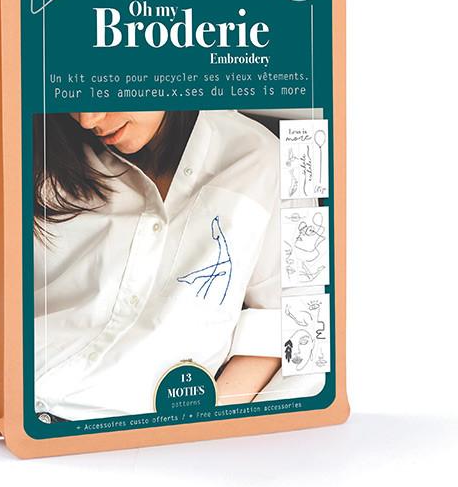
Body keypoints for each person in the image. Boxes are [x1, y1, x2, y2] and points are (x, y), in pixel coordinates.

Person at [32, 109, 285, 421]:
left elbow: (277, 319)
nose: (87, 120)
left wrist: (208, 422)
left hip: (140, 430)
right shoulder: (41, 148)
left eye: (101, 90)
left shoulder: (258, 161)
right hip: (20, 404)